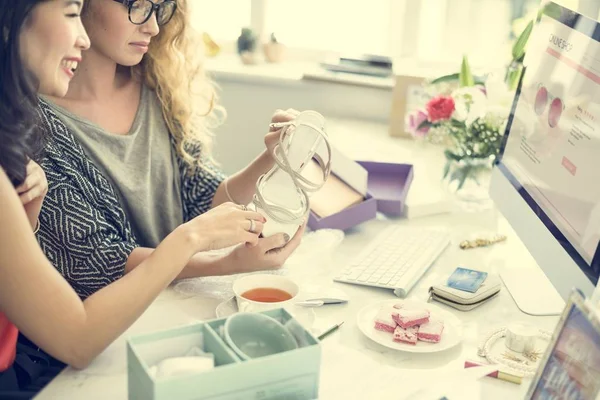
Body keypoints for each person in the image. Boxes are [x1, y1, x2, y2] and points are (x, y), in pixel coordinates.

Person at [0, 0, 265, 396]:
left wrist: (29, 217)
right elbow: (77, 331)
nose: (83, 38)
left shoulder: (156, 89)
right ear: (11, 20)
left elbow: (202, 191)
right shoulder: (32, 133)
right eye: (73, 13)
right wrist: (204, 248)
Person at [38, 0, 306, 299]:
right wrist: (226, 263)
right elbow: (99, 260)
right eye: (137, 5)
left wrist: (271, 157)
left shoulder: (156, 87)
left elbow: (203, 196)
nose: (152, 26)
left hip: (175, 303)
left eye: (159, 8)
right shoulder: (30, 127)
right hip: (112, 322)